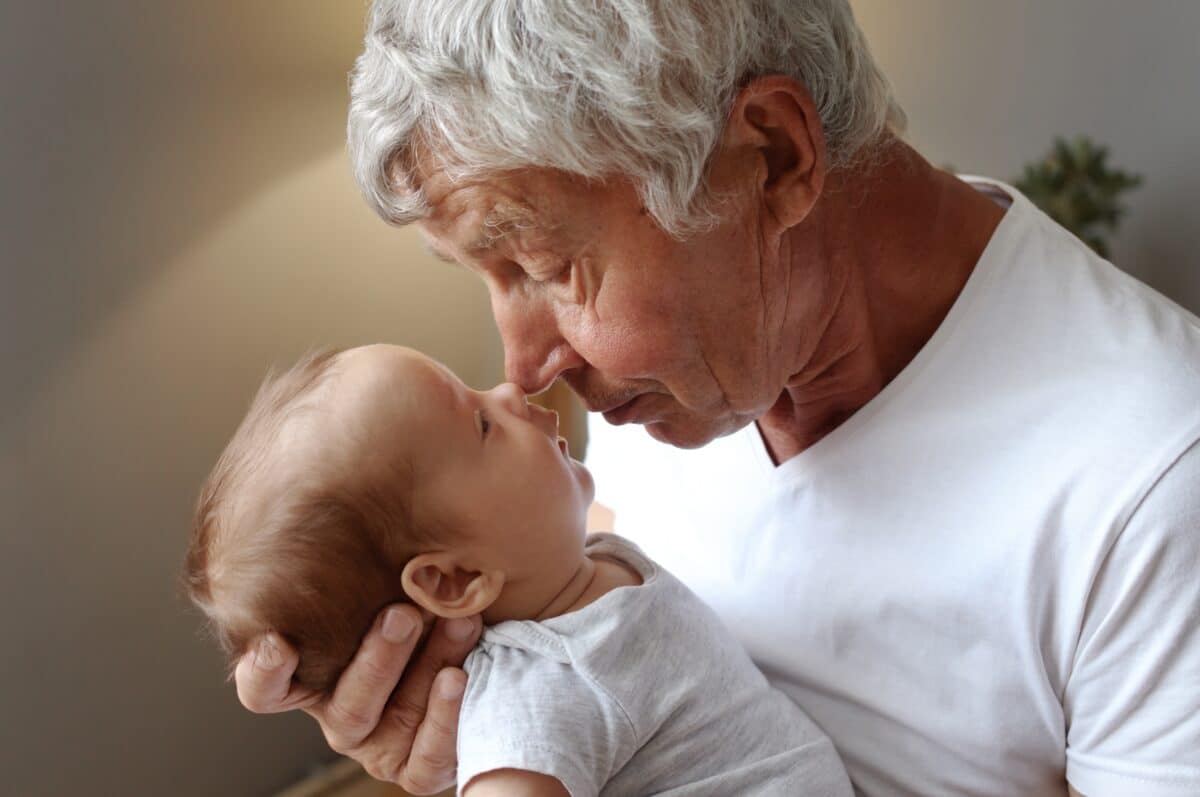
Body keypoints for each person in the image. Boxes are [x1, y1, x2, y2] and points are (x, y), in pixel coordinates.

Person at [231, 2, 1200, 795]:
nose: (523, 367)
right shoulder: (682, 369)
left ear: (772, 156)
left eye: (546, 263)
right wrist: (477, 738)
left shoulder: (1155, 474)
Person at [187, 344, 854, 797]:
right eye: (480, 425)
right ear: (453, 580)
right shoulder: (535, 693)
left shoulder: (586, 572)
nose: (509, 388)